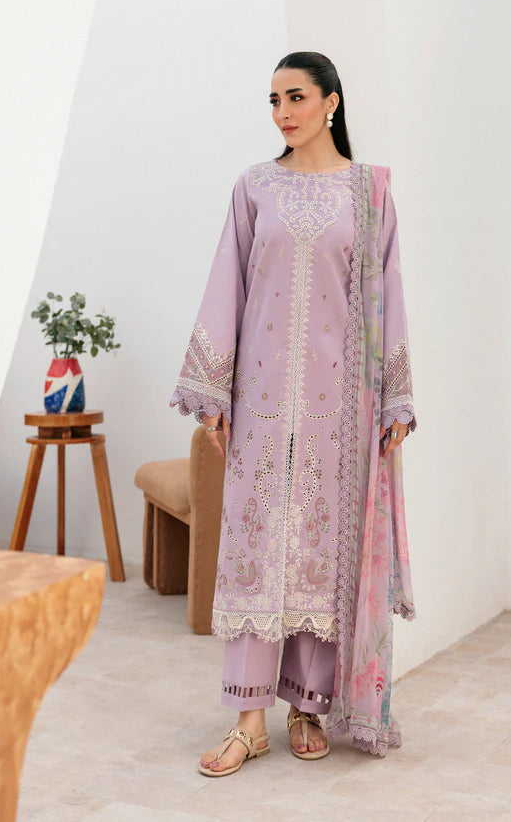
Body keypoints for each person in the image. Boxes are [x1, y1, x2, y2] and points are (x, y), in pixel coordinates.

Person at [169, 50, 416, 775]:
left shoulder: (370, 192)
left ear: (331, 102)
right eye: (274, 100)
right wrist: (214, 392)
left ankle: (307, 705)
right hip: (262, 402)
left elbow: (389, 292)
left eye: (296, 97)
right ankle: (248, 719)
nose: (283, 112)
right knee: (255, 549)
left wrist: (395, 397)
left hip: (341, 409)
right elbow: (227, 281)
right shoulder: (254, 187)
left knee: (319, 553)